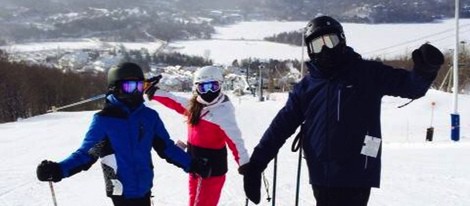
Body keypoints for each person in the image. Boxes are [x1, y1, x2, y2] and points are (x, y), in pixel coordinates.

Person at [242, 15, 444, 206]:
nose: (324, 50)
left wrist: (424, 70)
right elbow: (281, 126)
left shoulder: (367, 73)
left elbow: (410, 87)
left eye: (329, 41)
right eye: (317, 45)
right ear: (310, 51)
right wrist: (257, 165)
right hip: (322, 172)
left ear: (342, 40)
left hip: (357, 171)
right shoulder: (306, 87)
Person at [36, 62, 211, 206]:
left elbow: (166, 148)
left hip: (144, 187)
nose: (136, 92)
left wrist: (192, 164)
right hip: (119, 190)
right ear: (115, 88)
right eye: (129, 86)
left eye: (139, 86)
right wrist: (59, 169)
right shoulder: (104, 121)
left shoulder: (149, 117)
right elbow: (87, 154)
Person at [145, 65, 250, 206]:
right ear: (196, 89)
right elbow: (174, 100)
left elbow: (236, 141)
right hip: (195, 166)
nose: (208, 92)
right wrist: (152, 91)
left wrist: (245, 166)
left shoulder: (223, 113)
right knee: (193, 201)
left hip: (211, 172)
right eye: (203, 88)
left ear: (220, 86)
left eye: (213, 86)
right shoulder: (196, 106)